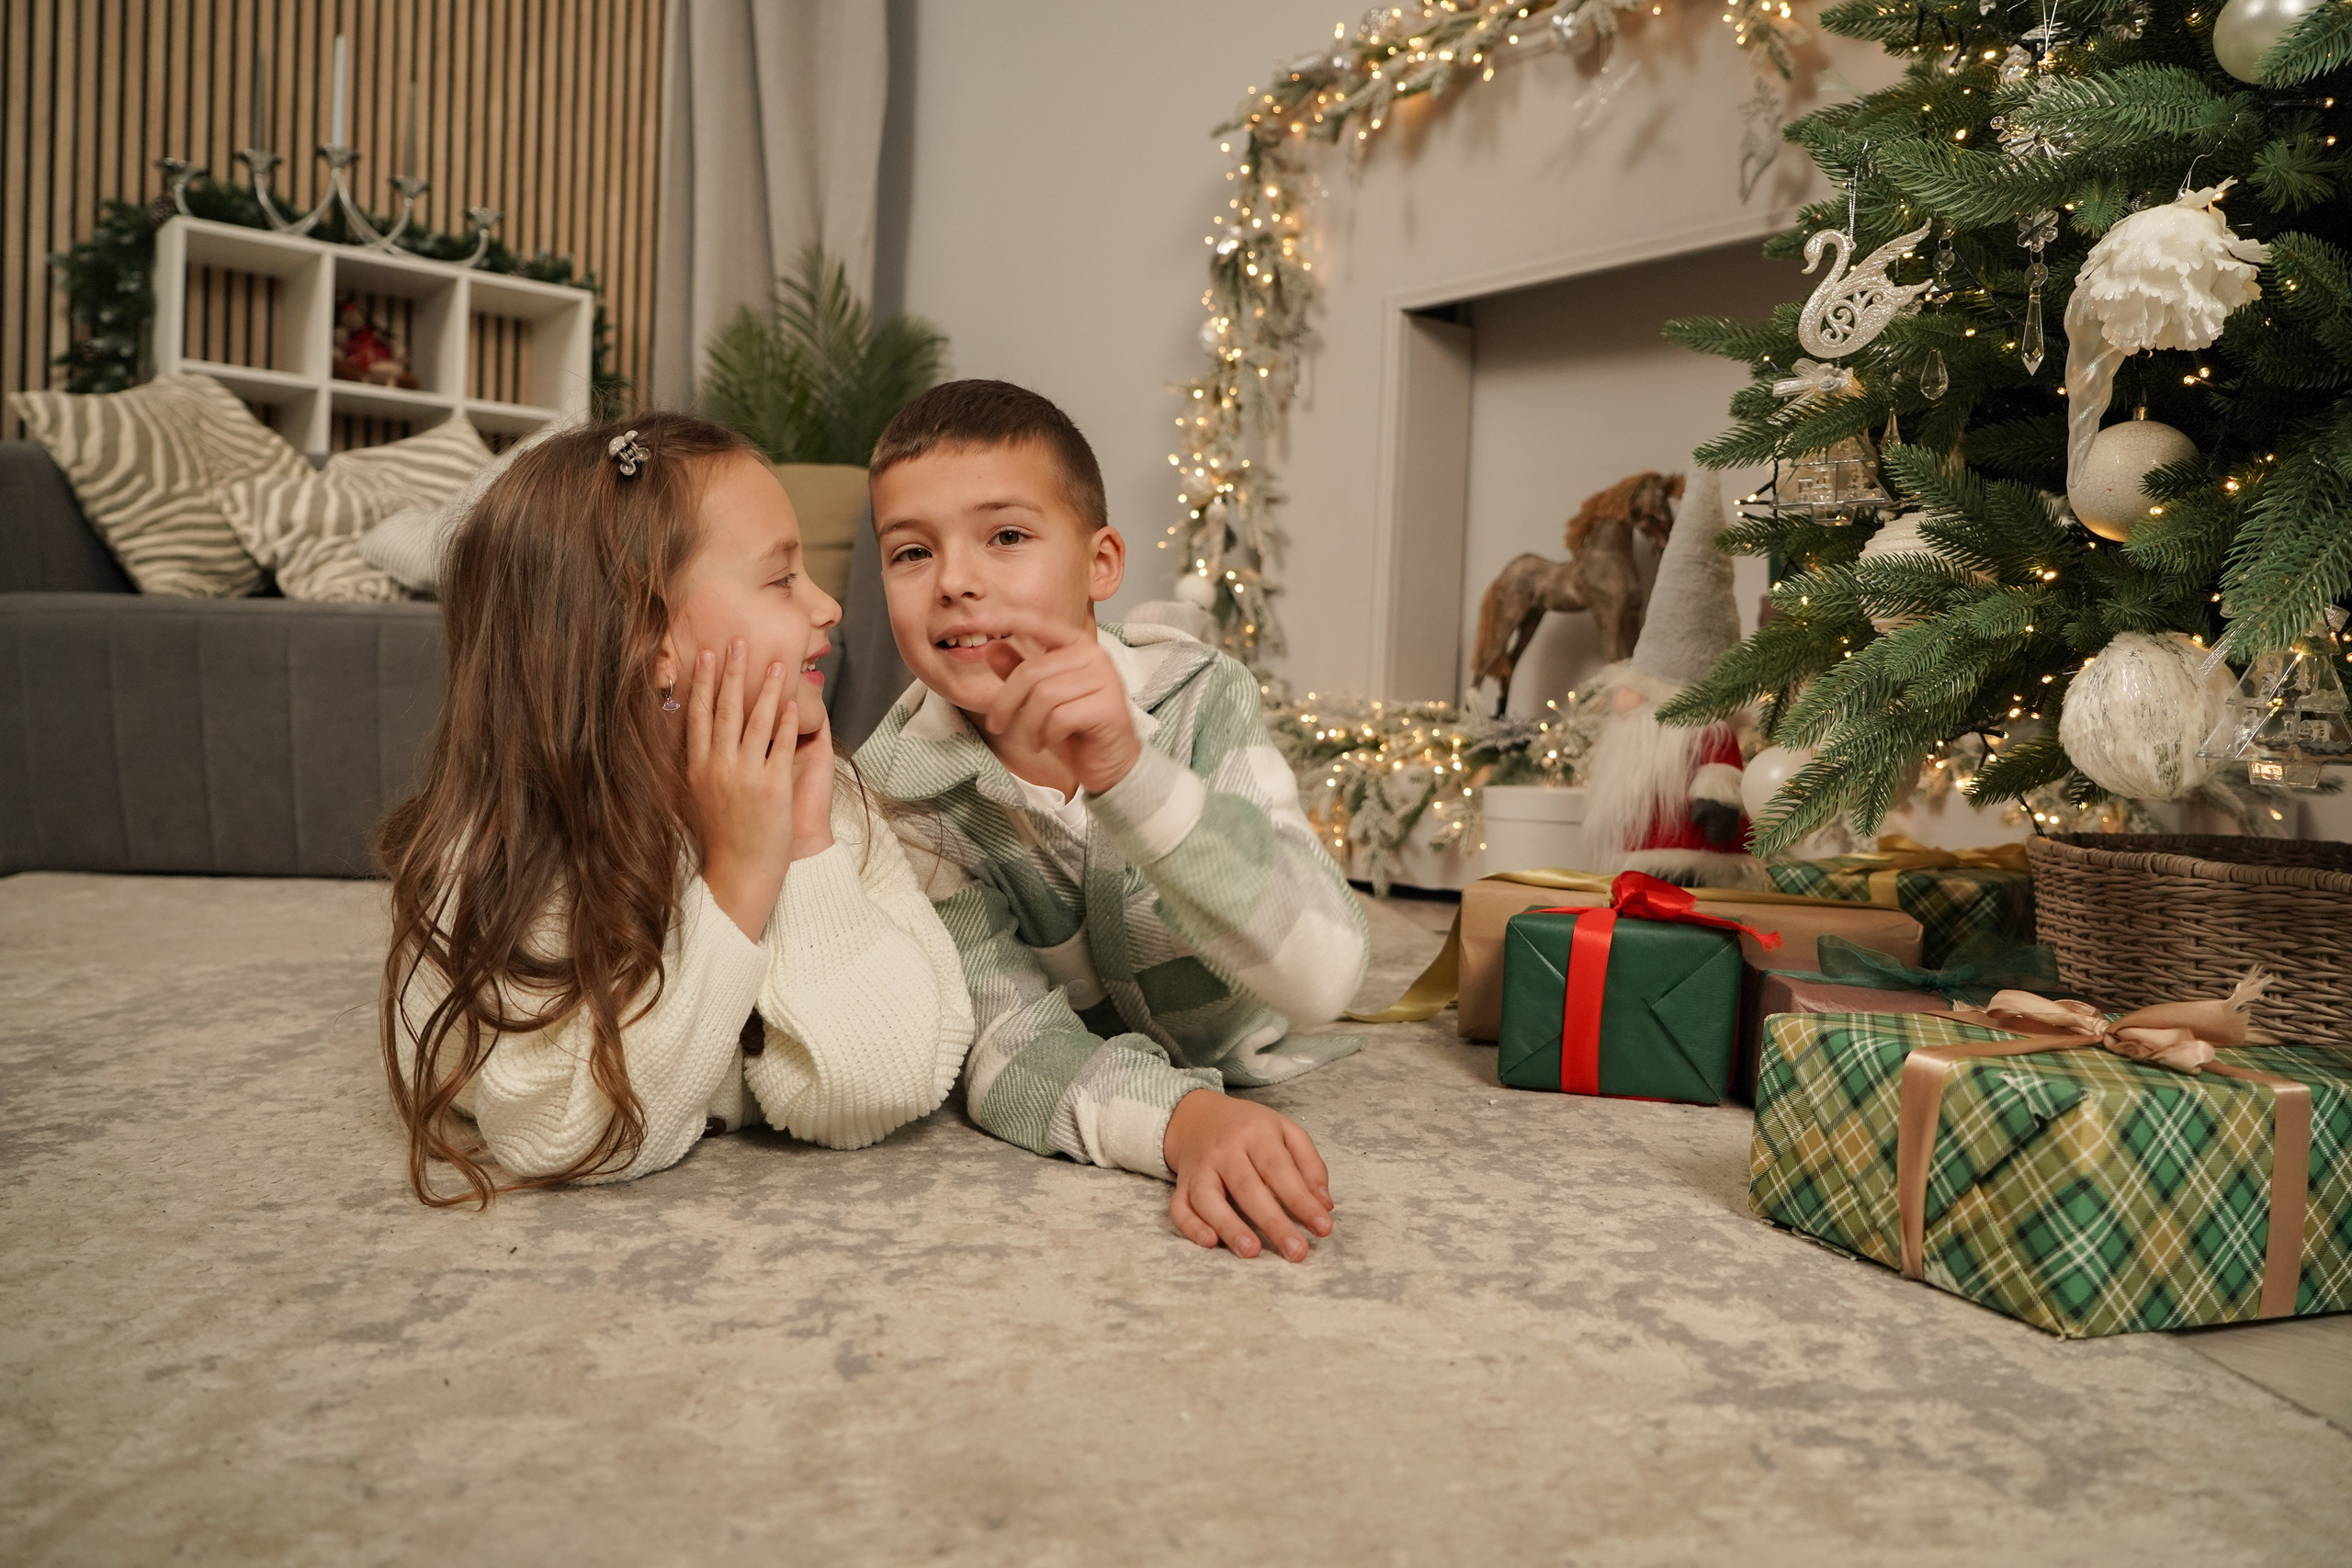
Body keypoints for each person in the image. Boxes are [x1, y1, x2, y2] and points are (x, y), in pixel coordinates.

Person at [377, 412, 974, 1205]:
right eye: (780, 578)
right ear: (652, 638)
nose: (827, 605)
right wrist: (736, 881)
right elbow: (575, 1134)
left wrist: (801, 843)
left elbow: (887, 1082)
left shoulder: (827, 796)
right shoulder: (508, 856)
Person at [854, 379, 1371, 1263]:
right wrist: (1184, 1120)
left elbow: (1326, 975)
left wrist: (1129, 776)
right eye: (910, 553)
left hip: (1247, 1024)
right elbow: (1001, 1043)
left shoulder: (1203, 697)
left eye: (1006, 536)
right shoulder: (902, 788)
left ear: (1101, 564)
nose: (956, 582)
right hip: (1108, 1072)